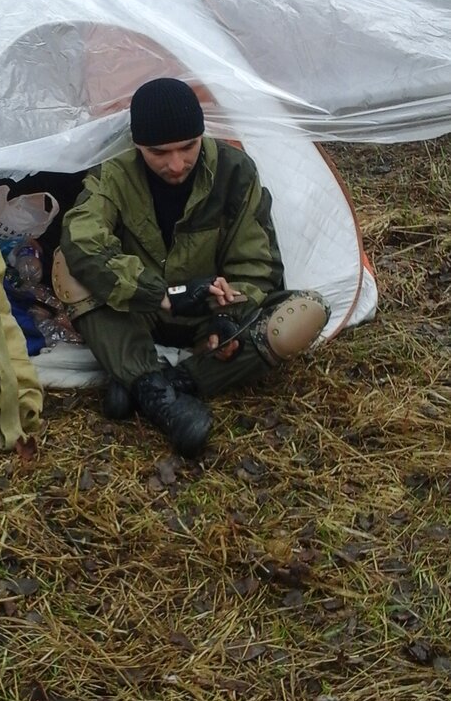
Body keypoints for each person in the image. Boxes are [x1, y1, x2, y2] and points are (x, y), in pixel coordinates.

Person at [54, 77, 330, 458]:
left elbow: (256, 263)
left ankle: (151, 381)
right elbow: (82, 238)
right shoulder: (115, 174)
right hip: (141, 309)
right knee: (68, 267)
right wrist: (159, 296)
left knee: (304, 314)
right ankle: (157, 394)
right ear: (138, 145)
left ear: (203, 135)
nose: (176, 164)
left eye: (188, 146)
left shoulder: (235, 172)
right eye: (159, 152)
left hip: (207, 316)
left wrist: (227, 317)